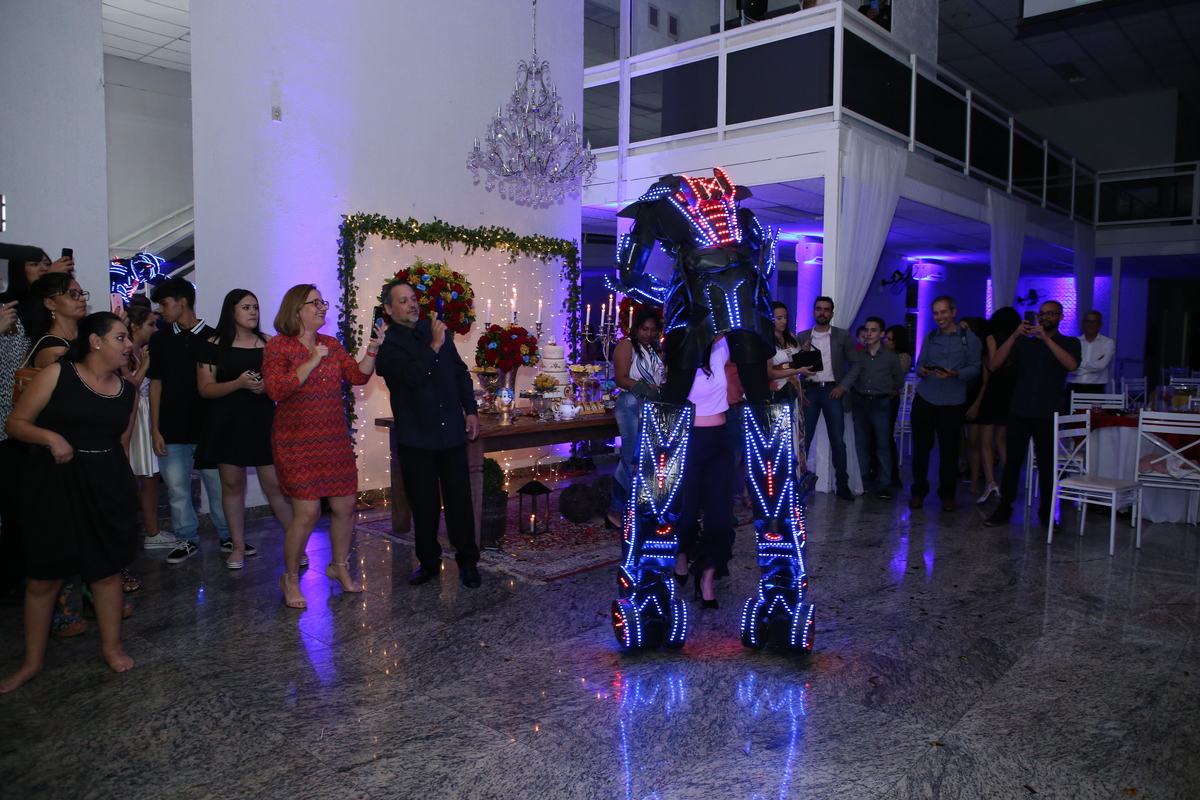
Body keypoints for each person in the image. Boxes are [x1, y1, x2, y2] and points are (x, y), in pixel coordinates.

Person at [1, 312, 138, 693]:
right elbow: (16, 423)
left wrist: (125, 489)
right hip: (55, 484)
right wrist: (51, 438)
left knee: (107, 571)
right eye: (121, 337)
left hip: (106, 484)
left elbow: (123, 444)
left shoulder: (127, 389)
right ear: (95, 341)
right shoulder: (58, 374)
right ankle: (31, 663)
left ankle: (112, 648)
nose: (129, 345)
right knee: (45, 576)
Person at [263, 284, 382, 609]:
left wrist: (372, 349)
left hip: (333, 439)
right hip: (296, 442)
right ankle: (290, 577)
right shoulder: (278, 346)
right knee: (308, 513)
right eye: (314, 303)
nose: (322, 307)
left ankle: (338, 566)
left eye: (323, 302)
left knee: (345, 506)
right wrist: (312, 360)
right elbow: (277, 390)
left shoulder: (331, 343)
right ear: (296, 309)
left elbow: (357, 376)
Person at [375, 279, 482, 589]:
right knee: (424, 505)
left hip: (450, 431)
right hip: (417, 435)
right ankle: (429, 563)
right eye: (403, 300)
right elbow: (411, 376)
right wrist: (434, 345)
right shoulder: (387, 344)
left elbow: (459, 373)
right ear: (389, 309)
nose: (412, 304)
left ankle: (468, 562)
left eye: (413, 298)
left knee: (460, 500)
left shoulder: (434, 329)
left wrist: (470, 409)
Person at [195, 289, 294, 570]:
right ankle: (237, 547)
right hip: (227, 421)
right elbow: (205, 389)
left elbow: (286, 382)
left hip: (263, 420)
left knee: (275, 485)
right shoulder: (212, 344)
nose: (253, 312)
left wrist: (266, 388)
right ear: (231, 311)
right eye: (246, 307)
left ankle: (296, 544)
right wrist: (238, 384)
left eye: (256, 307)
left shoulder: (270, 342)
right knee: (232, 485)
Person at [984, 301, 1081, 528]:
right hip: (1020, 410)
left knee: (1047, 466)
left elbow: (1072, 365)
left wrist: (1046, 339)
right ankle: (1004, 509)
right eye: (1041, 314)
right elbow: (995, 363)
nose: (1044, 317)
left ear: (1060, 317)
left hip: (1048, 412)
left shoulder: (1070, 342)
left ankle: (1046, 515)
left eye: (1050, 314)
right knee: (1012, 463)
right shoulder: (1024, 343)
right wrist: (1014, 335)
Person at [677, 336, 738, 608]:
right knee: (686, 511)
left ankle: (707, 578)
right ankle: (681, 553)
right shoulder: (682, 346)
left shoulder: (722, 346)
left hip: (719, 441)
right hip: (688, 441)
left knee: (720, 515)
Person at [909, 296, 981, 512]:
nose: (939, 317)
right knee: (921, 449)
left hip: (952, 402)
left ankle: (948, 495)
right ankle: (918, 492)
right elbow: (920, 363)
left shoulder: (969, 338)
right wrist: (923, 371)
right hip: (926, 398)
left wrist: (955, 374)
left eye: (943, 312)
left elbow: (975, 367)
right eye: (936, 313)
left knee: (949, 451)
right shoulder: (930, 337)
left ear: (953, 312)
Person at [796, 296, 860, 500]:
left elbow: (856, 364)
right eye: (818, 309)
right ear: (813, 312)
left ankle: (842, 485)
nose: (822, 312)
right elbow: (795, 367)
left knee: (838, 441)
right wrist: (800, 388)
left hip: (833, 391)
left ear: (832, 313)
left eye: (826, 309)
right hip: (811, 391)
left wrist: (843, 386)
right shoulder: (802, 336)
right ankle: (799, 484)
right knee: (804, 440)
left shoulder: (842, 335)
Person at [608, 305, 664, 528]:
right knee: (632, 457)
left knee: (645, 460)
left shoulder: (653, 350)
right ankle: (619, 510)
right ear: (636, 328)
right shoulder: (627, 345)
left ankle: (628, 509)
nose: (649, 333)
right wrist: (649, 388)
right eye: (645, 329)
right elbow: (620, 378)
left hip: (651, 406)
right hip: (631, 403)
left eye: (653, 330)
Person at [124, 305, 174, 550]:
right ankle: (123, 534)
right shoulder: (124, 354)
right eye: (150, 324)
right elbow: (127, 388)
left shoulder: (143, 351)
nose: (155, 329)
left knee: (151, 478)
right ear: (134, 326)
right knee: (130, 479)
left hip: (146, 417)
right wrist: (144, 365)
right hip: (132, 418)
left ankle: (152, 533)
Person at [851, 316, 903, 499]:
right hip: (861, 403)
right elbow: (853, 377)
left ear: (882, 334)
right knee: (861, 444)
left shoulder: (891, 357)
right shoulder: (859, 356)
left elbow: (898, 381)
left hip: (881, 403)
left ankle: (884, 484)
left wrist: (886, 392)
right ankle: (862, 482)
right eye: (866, 330)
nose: (868, 333)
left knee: (883, 444)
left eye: (873, 330)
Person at [975, 307, 1021, 504]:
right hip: (1011, 391)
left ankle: (990, 482)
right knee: (1002, 440)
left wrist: (985, 360)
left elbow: (994, 364)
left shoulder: (992, 336)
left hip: (995, 390)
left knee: (986, 441)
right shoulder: (1019, 339)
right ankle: (1010, 480)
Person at [959, 316, 990, 495]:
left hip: (975, 399)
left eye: (967, 327)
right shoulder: (957, 352)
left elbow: (985, 383)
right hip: (958, 398)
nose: (963, 331)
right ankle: (964, 462)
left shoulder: (981, 353)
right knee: (958, 435)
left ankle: (975, 483)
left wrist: (977, 404)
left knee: (974, 442)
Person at [882, 323, 912, 489]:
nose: (885, 341)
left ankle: (892, 475)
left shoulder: (903, 357)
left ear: (897, 341)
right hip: (880, 397)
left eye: (889, 339)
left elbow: (893, 378)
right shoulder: (884, 354)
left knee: (886, 437)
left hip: (890, 399)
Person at [1065, 310, 1115, 407]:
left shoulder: (1108, 343)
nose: (1090, 324)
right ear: (1083, 324)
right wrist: (1094, 364)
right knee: (1070, 416)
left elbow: (1102, 366)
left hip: (1096, 389)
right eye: (1087, 321)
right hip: (1073, 388)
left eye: (1094, 322)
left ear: (1100, 325)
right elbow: (1069, 367)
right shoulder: (1074, 342)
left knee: (1095, 416)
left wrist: (1078, 363)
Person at [766, 301, 812, 401]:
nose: (784, 321)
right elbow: (769, 373)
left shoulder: (790, 336)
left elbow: (800, 360)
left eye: (785, 317)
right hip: (778, 388)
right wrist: (797, 371)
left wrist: (805, 350)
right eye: (779, 318)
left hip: (795, 384)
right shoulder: (767, 341)